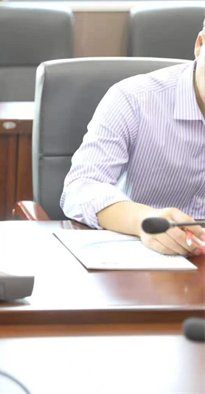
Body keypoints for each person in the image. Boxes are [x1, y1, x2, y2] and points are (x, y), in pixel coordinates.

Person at [61, 18, 205, 256]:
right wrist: (144, 220)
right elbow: (81, 188)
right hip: (142, 253)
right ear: (200, 45)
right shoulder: (133, 98)